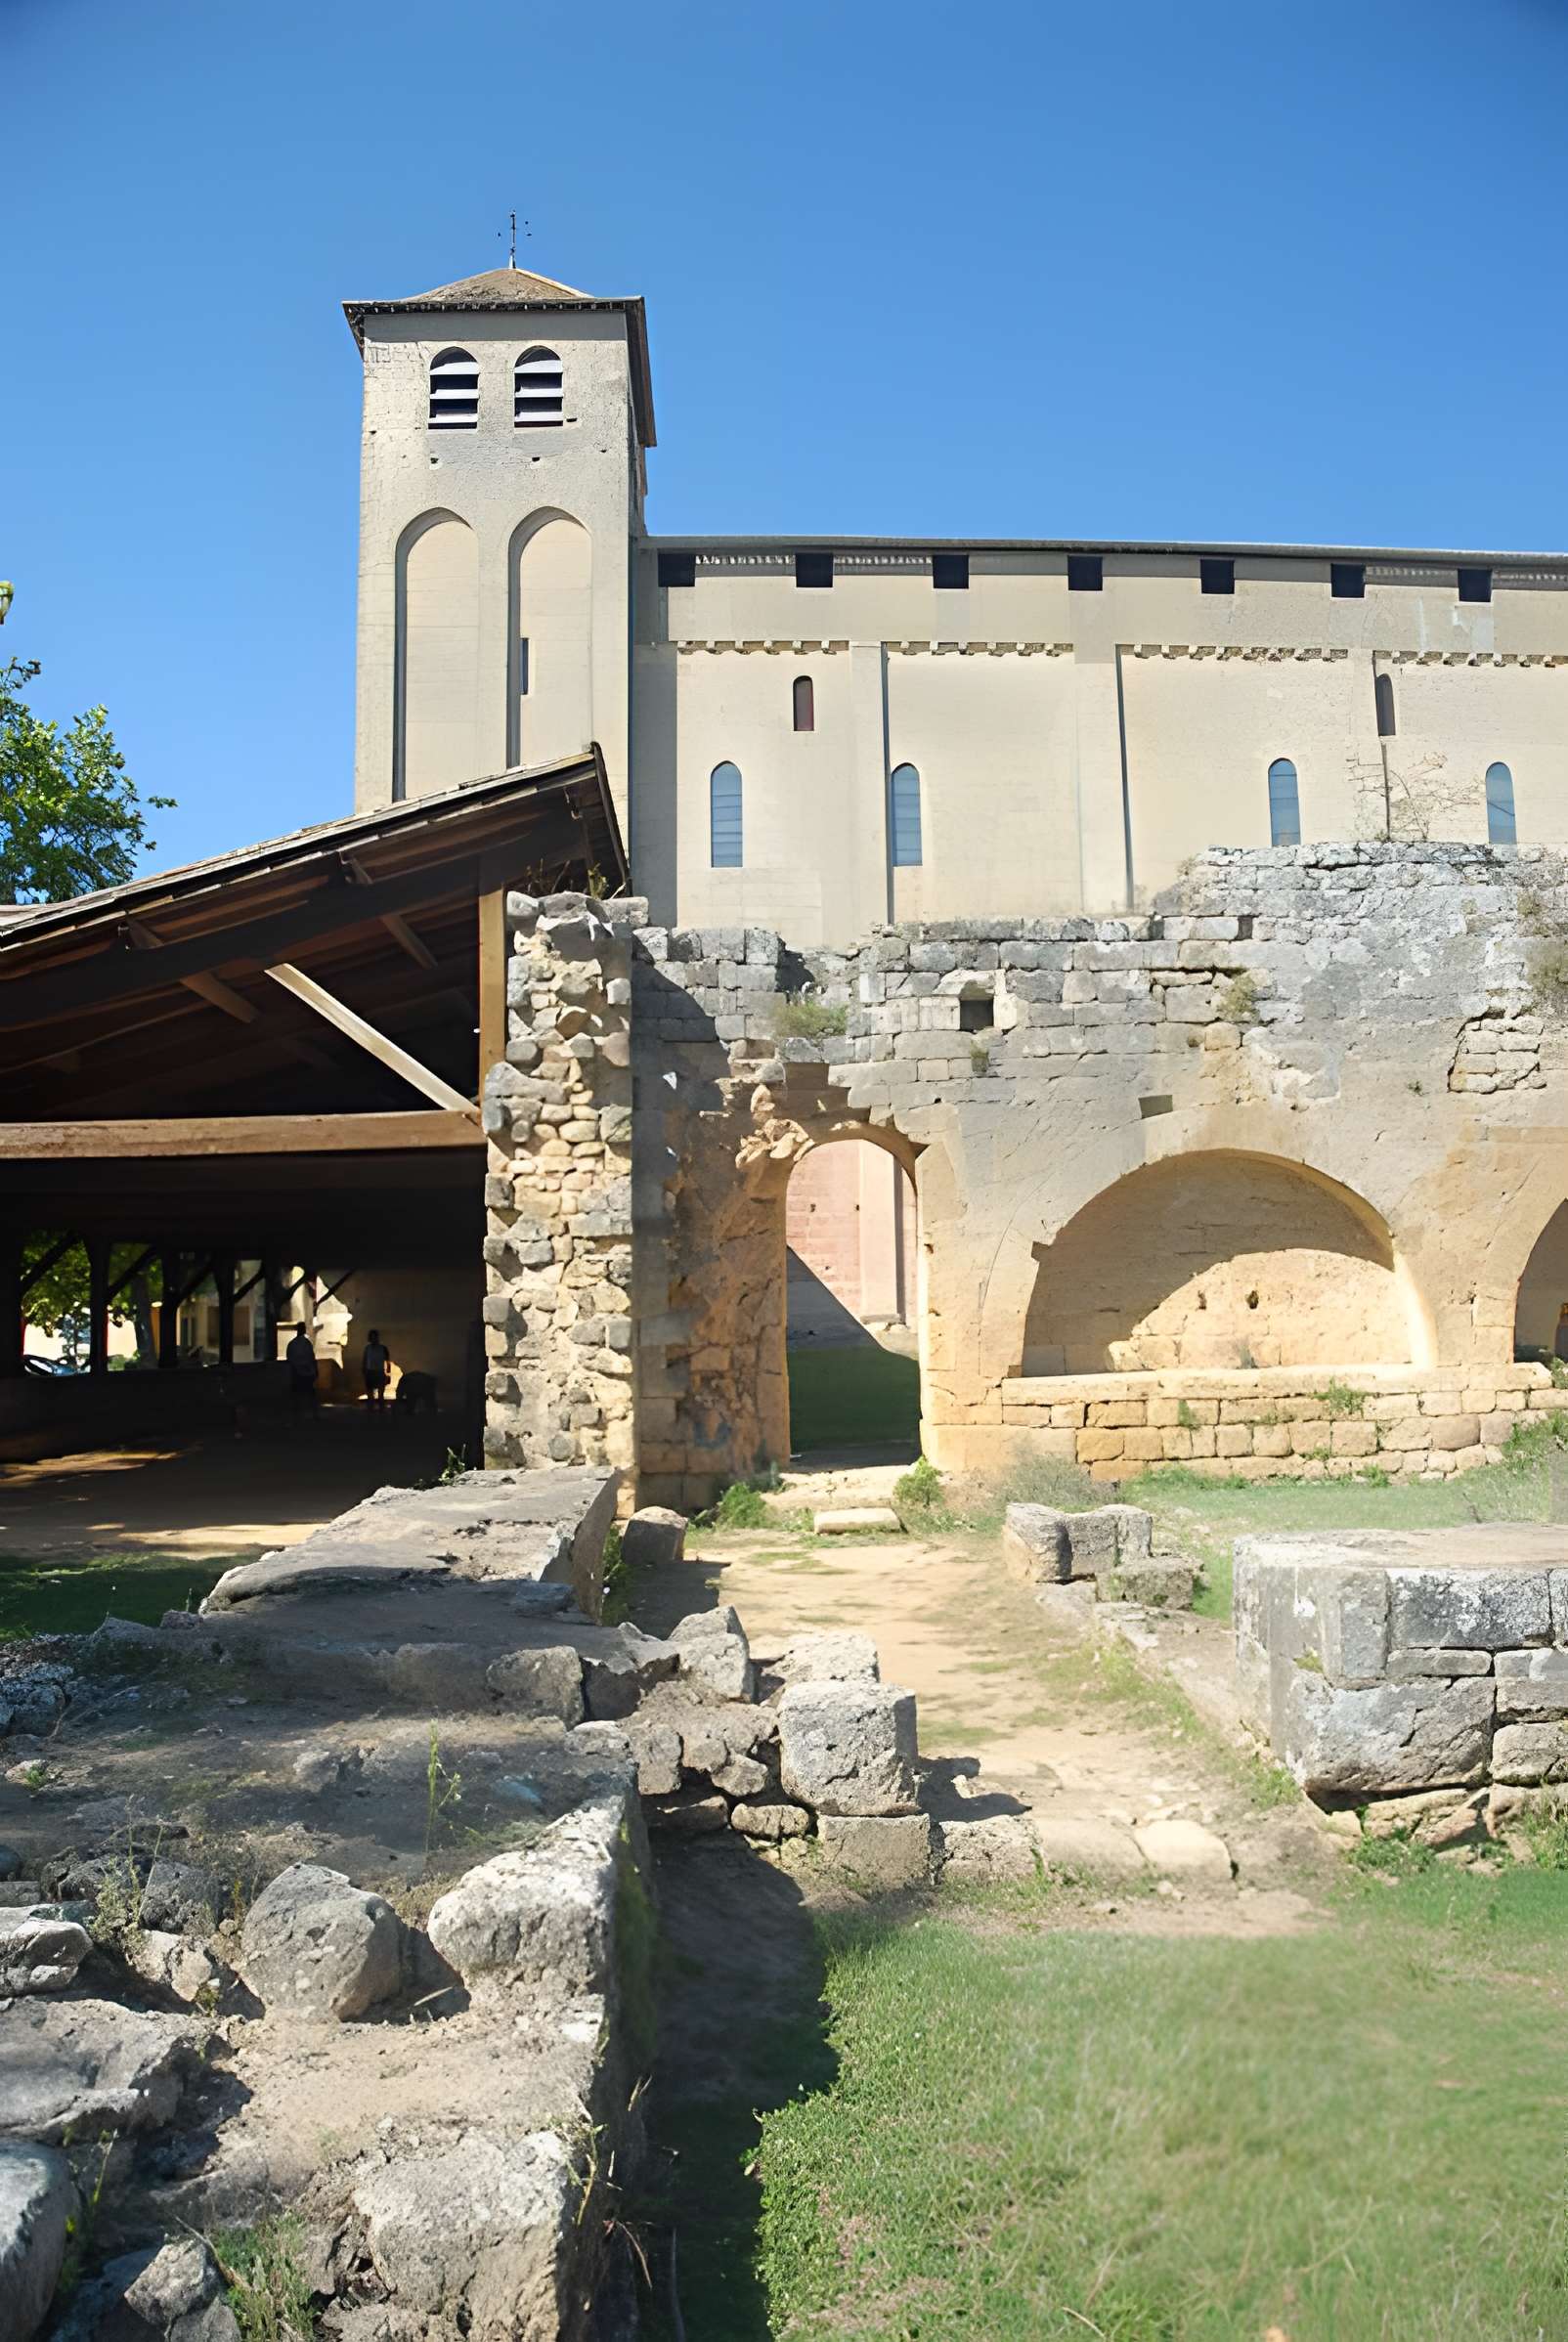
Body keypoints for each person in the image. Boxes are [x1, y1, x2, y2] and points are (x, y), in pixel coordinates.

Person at [285, 1324, 319, 1415]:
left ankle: (297, 1413)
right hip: (307, 1373)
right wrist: (315, 1370)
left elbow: (289, 1359)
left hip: (297, 1372)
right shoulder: (307, 1343)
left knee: (297, 1395)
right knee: (310, 1394)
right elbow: (312, 1358)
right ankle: (314, 1413)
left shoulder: (292, 1344)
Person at [362, 1327, 392, 1410]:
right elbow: (365, 1360)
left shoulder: (383, 1348)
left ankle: (381, 1411)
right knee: (370, 1395)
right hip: (370, 1372)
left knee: (380, 1395)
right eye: (372, 1337)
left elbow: (388, 1361)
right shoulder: (367, 1349)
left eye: (375, 1337)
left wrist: (388, 1374)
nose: (373, 1339)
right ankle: (371, 1411)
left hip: (379, 1373)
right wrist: (364, 1371)